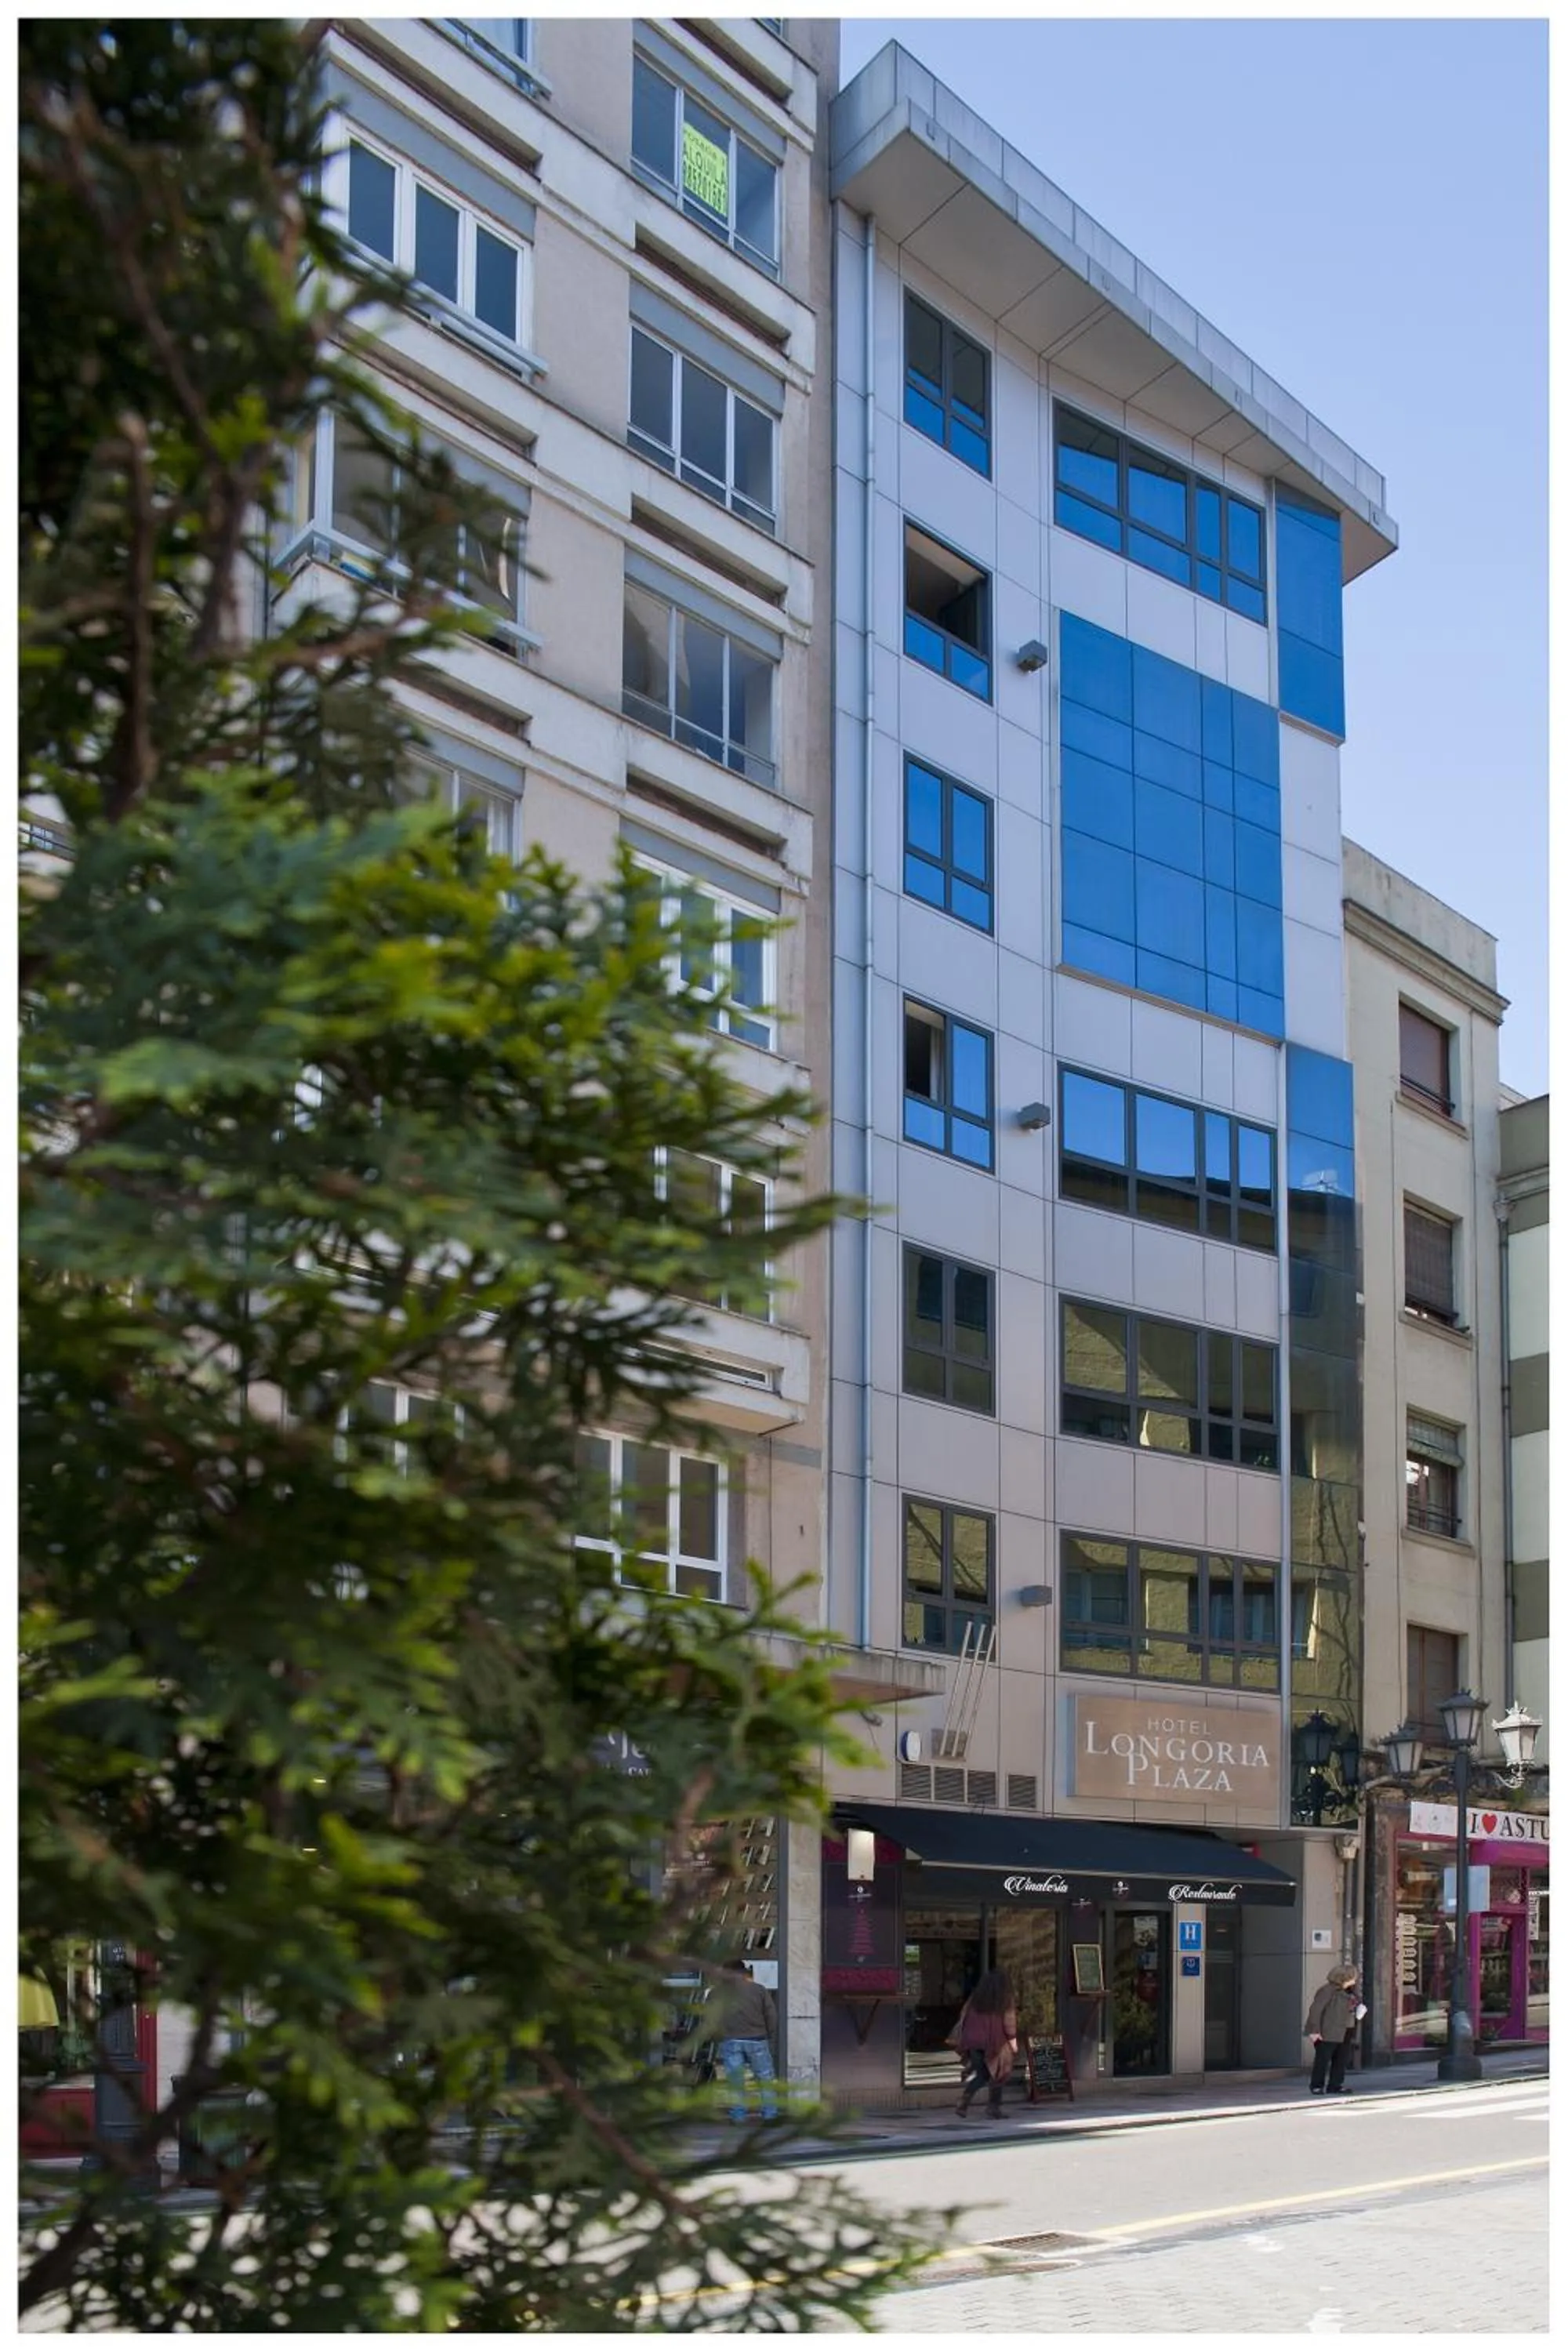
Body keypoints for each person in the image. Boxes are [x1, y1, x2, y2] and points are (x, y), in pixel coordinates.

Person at [716, 1959, 779, 2124]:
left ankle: (738, 2116)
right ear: (744, 1973)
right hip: (758, 2038)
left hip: (731, 2040)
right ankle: (770, 2114)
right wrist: (769, 2034)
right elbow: (771, 2015)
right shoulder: (759, 1990)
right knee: (765, 2079)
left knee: (736, 2081)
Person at [952, 1967, 1018, 2120]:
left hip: (974, 2041)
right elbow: (1009, 2022)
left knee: (982, 2074)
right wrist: (1013, 2042)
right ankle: (993, 2107)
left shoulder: (976, 1998)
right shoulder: (1005, 1998)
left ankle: (964, 2101)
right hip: (995, 2042)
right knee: (998, 2074)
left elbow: (964, 2016)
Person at [1305, 1961, 1361, 2094]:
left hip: (1346, 2029)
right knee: (1323, 2059)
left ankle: (1335, 2085)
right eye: (1353, 1977)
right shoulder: (1328, 1991)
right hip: (1328, 2030)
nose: (1355, 1980)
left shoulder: (1350, 1992)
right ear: (1345, 1977)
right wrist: (1314, 2030)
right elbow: (1316, 2010)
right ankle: (1317, 2085)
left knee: (1341, 2059)